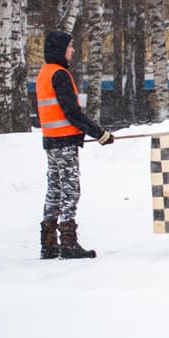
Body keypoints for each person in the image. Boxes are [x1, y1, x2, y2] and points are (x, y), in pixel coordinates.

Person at [35, 30, 114, 260]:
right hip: (64, 142)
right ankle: (68, 242)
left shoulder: (44, 73)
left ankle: (48, 242)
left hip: (51, 141)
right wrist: (100, 134)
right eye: (70, 46)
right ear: (61, 49)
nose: (73, 50)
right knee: (70, 190)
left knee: (55, 190)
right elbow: (72, 112)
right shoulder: (59, 74)